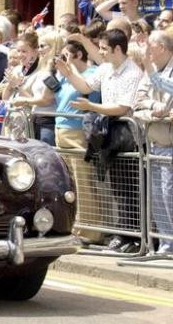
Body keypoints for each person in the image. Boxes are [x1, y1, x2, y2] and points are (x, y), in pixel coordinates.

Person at [56, 29, 143, 252]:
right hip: (109, 132)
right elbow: (85, 87)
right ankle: (122, 234)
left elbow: (122, 107)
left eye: (104, 48)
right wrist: (69, 74)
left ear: (117, 49)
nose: (100, 52)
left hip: (127, 133)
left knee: (129, 187)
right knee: (117, 187)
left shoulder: (133, 72)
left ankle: (133, 237)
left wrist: (91, 106)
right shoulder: (105, 68)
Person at [54, 40, 103, 244]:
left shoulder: (92, 73)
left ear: (79, 55)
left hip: (78, 131)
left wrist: (70, 72)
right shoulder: (64, 76)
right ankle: (74, 225)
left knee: (83, 182)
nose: (63, 59)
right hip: (61, 129)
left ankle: (90, 232)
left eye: (66, 55)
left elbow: (87, 91)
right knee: (69, 184)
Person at [134, 31, 173, 254]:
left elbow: (163, 85)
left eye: (151, 45)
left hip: (170, 143)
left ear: (162, 47)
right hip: (153, 143)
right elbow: (137, 103)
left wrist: (147, 63)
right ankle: (166, 245)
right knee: (157, 196)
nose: (147, 49)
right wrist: (153, 109)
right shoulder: (150, 72)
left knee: (169, 195)